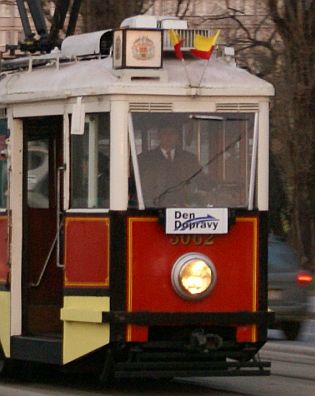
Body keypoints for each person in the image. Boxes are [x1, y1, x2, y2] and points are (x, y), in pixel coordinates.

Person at [138, 126, 208, 207]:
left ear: (177, 136)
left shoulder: (189, 158)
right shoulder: (145, 158)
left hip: (184, 205)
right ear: (159, 136)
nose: (169, 136)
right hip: (154, 206)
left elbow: (201, 179)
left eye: (172, 133)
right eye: (165, 133)